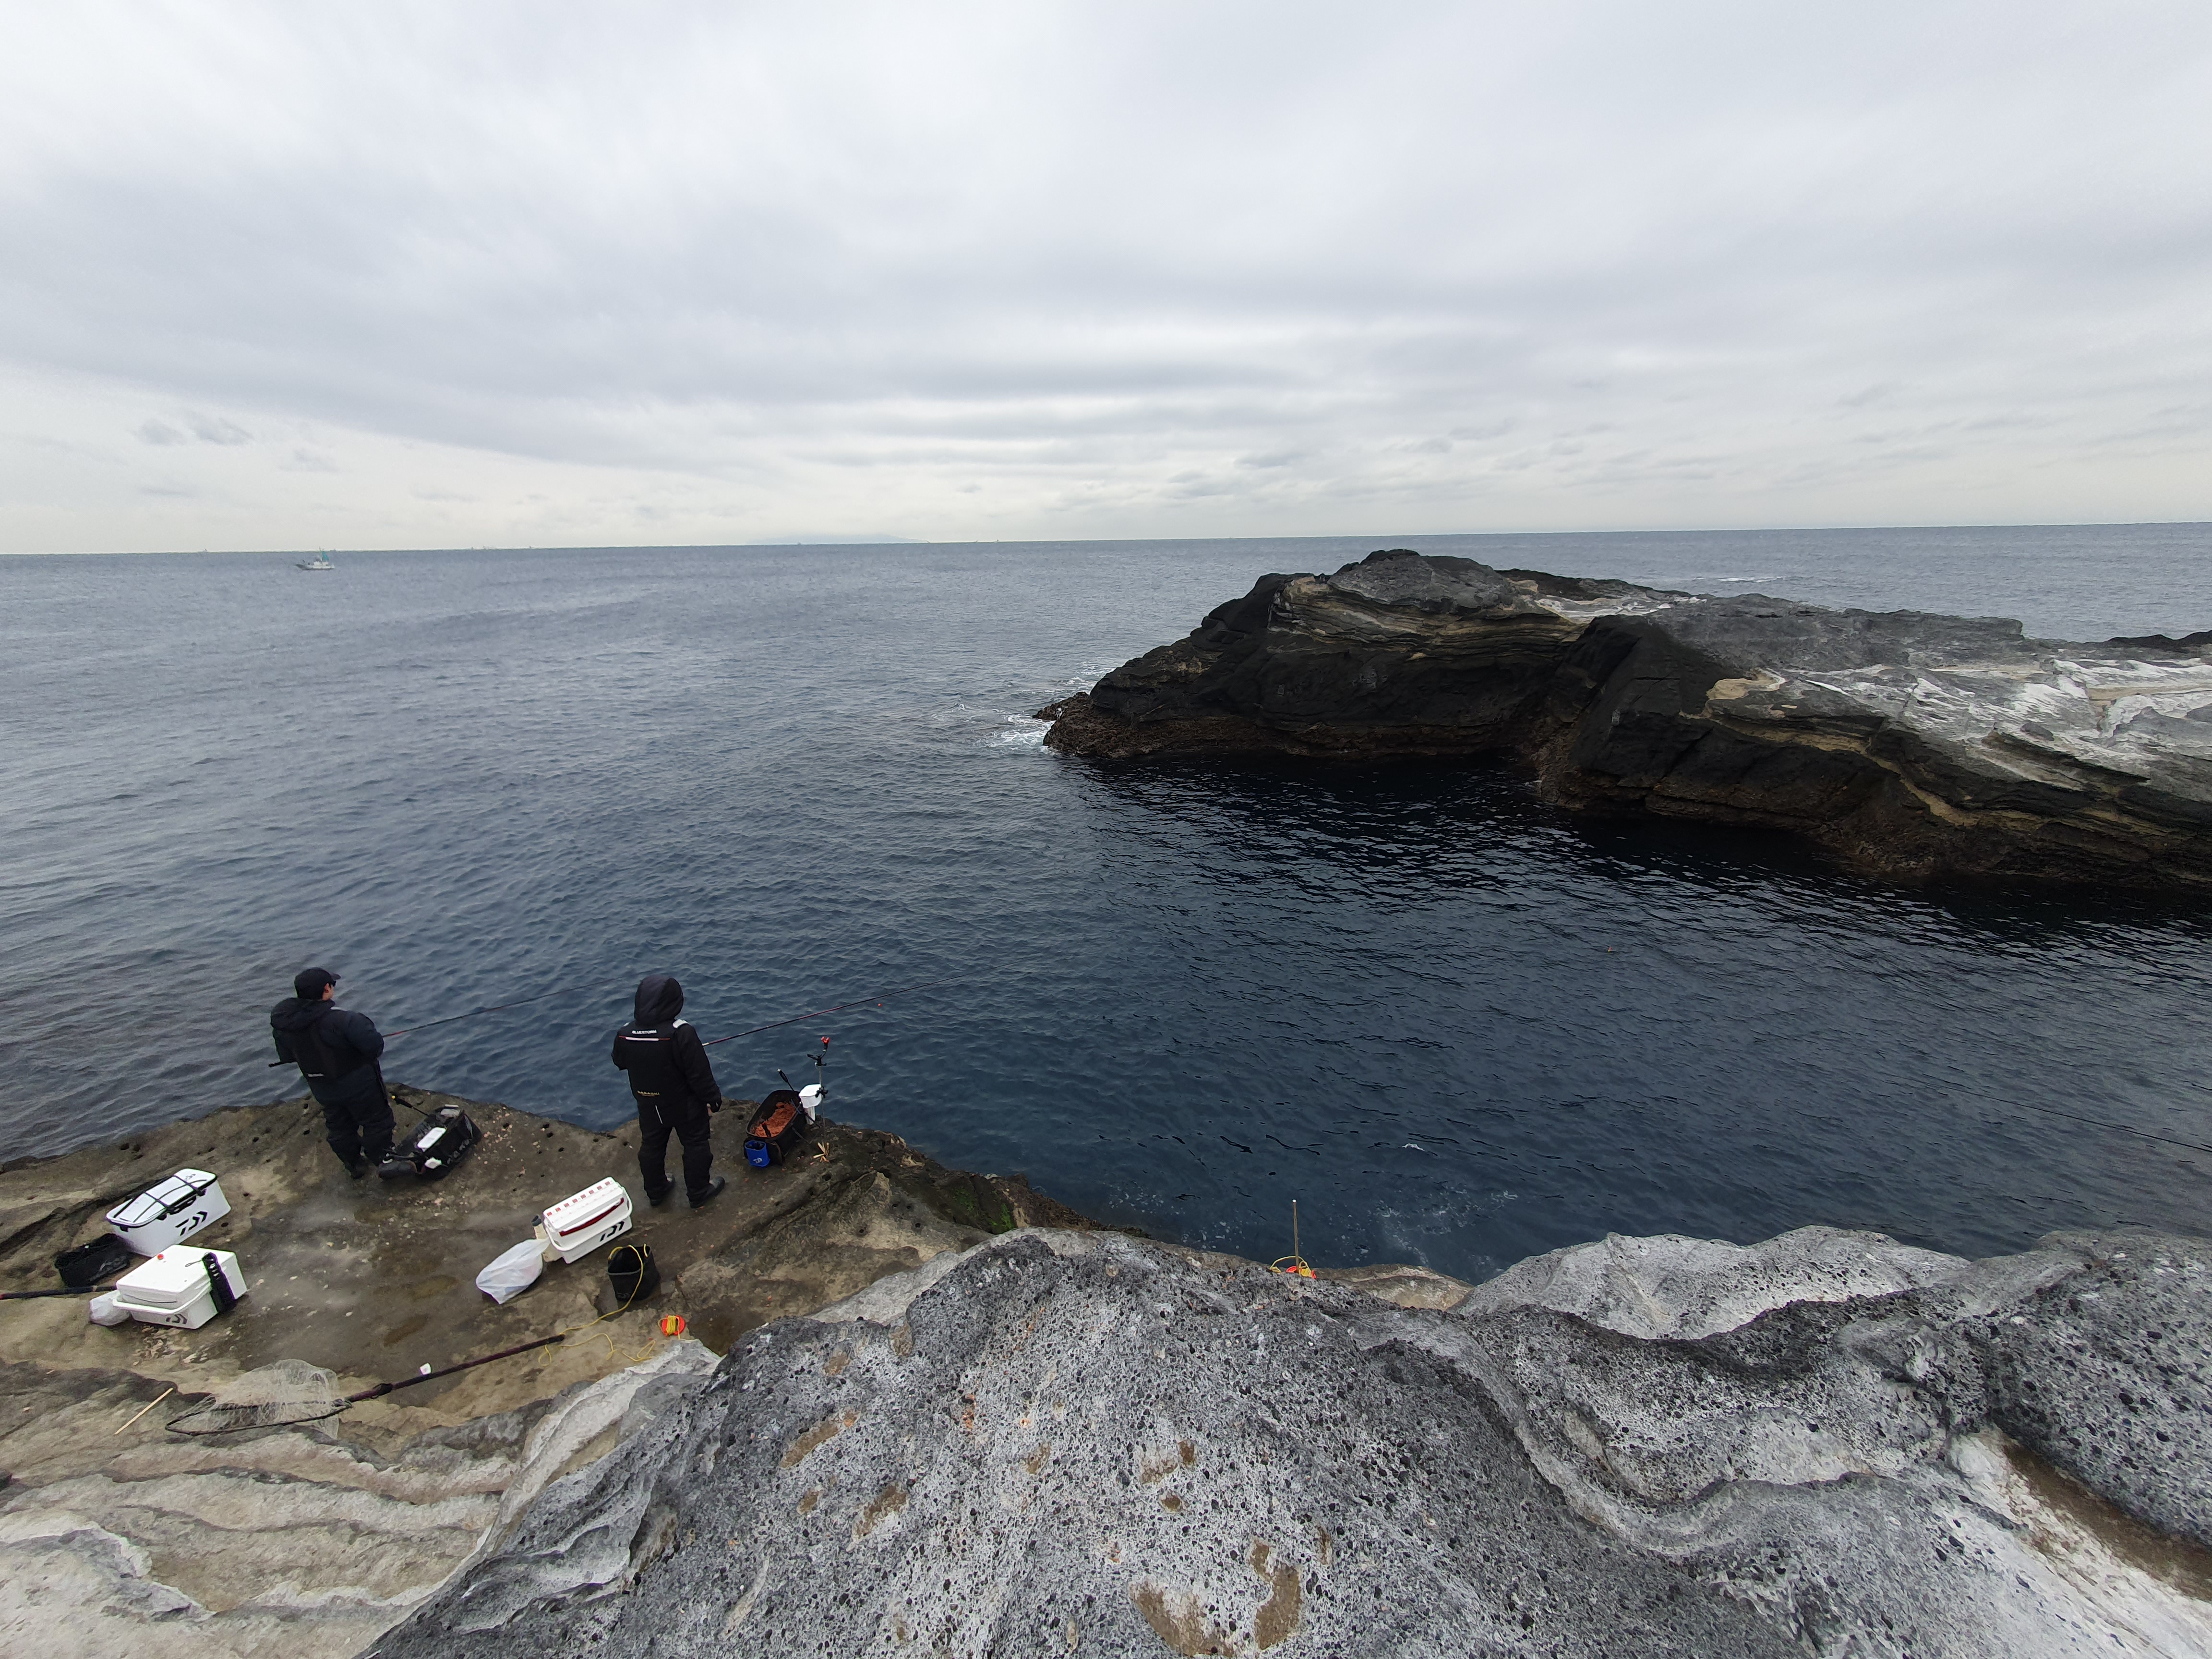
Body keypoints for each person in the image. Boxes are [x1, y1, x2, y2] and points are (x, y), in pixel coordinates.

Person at [271, 967, 400, 1178]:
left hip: (321, 1087)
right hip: (359, 1084)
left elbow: (287, 1057)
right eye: (333, 985)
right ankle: (384, 1160)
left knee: (339, 1124)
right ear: (327, 989)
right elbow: (374, 1048)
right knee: (377, 1121)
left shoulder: (285, 1026)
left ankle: (354, 1164)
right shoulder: (345, 1020)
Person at [611, 974, 726, 1207]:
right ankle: (698, 1191)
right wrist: (713, 1098)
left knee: (652, 1145)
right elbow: (699, 1073)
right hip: (683, 1105)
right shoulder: (681, 1032)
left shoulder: (625, 1033)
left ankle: (656, 1191)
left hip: (647, 1103)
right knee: (695, 1144)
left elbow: (619, 1061)